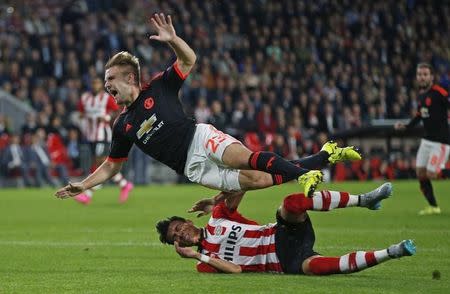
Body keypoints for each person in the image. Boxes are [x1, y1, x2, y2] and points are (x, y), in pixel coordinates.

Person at [54, 13, 360, 201]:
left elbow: (188, 60)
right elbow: (112, 164)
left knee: (248, 158)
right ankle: (324, 156)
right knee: (259, 179)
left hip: (200, 138)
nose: (107, 86)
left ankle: (304, 175)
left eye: (111, 80)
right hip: (193, 168)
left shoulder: (159, 86)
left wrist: (173, 39)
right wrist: (83, 184)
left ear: (130, 78)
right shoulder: (122, 125)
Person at [156, 182, 416, 274]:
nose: (180, 233)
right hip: (284, 262)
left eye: (178, 227)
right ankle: (392, 252)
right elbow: (235, 270)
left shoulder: (218, 218)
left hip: (281, 232)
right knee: (321, 267)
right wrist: (197, 255)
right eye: (175, 237)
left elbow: (243, 183)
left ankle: (364, 200)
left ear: (189, 221)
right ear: (180, 245)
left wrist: (215, 200)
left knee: (291, 203)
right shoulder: (203, 264)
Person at [394, 63, 449, 215]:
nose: (422, 77)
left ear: (431, 76)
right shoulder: (422, 95)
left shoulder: (440, 92)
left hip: (441, 141)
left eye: (425, 74)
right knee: (420, 173)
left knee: (432, 174)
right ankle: (433, 206)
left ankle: (433, 206)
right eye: (419, 74)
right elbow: (420, 115)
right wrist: (406, 126)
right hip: (427, 140)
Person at [75, 76, 134, 204]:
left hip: (102, 136)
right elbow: (80, 112)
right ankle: (124, 184)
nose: (95, 85)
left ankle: (88, 194)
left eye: (97, 83)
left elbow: (115, 111)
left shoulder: (106, 98)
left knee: (99, 163)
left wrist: (107, 117)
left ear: (101, 85)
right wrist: (84, 118)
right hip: (90, 136)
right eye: (93, 83)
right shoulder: (85, 98)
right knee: (100, 164)